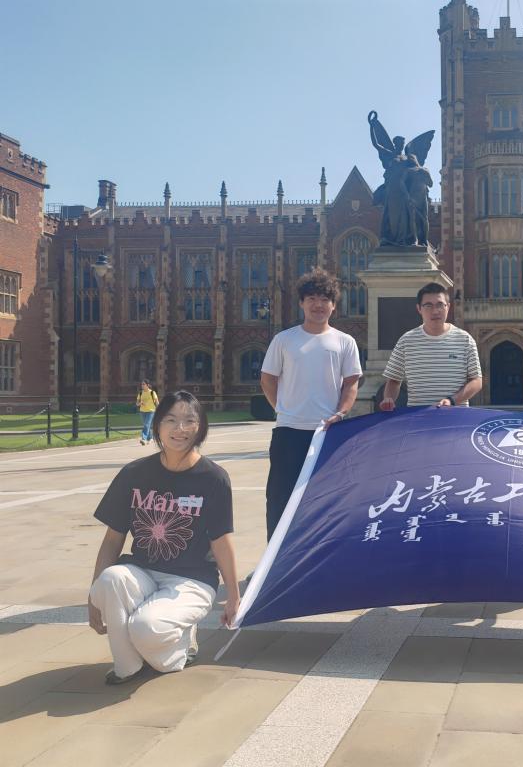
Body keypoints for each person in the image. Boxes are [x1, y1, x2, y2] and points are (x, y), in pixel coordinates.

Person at [87, 391, 239, 685]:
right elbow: (112, 539)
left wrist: (233, 596)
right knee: (109, 580)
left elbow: (221, 540)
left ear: (201, 427)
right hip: (142, 572)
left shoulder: (213, 478)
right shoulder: (134, 473)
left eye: (189, 421)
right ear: (157, 425)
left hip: (192, 581)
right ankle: (127, 666)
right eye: (171, 420)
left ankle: (181, 646)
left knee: (145, 628)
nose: (180, 429)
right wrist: (94, 598)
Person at [260, 267, 362, 540]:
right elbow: (268, 379)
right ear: (302, 303)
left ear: (333, 305)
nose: (318, 305)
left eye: (325, 299)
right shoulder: (284, 340)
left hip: (327, 432)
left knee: (327, 499)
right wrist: (282, 408)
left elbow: (351, 383)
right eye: (312, 298)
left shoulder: (345, 342)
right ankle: (278, 557)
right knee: (280, 499)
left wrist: (341, 412)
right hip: (288, 431)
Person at [380, 283, 482, 410]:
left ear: (448, 307)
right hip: (419, 417)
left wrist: (452, 400)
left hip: (455, 416)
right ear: (419, 309)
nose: (435, 311)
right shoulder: (406, 341)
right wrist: (388, 398)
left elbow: (476, 381)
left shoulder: (465, 340)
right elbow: (394, 380)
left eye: (440, 305)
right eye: (428, 306)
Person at [136, 379, 159, 445]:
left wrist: (159, 410)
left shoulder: (152, 393)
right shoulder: (140, 393)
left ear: (147, 385)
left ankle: (144, 439)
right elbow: (137, 404)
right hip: (142, 411)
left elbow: (157, 402)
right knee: (146, 425)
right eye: (142, 384)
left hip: (151, 411)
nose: (142, 385)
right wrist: (140, 403)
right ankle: (150, 438)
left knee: (146, 425)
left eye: (143, 384)